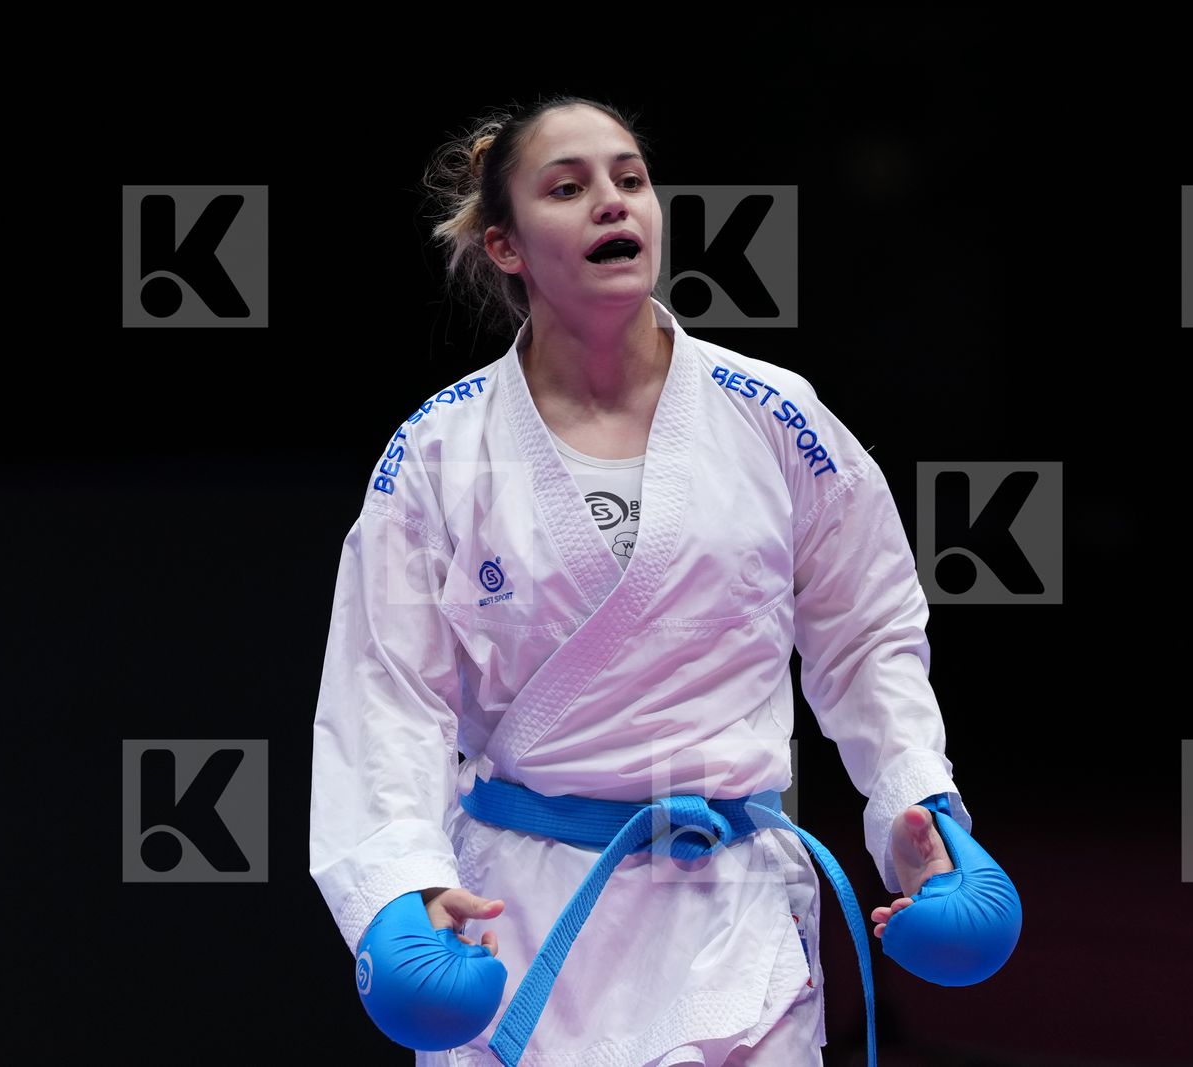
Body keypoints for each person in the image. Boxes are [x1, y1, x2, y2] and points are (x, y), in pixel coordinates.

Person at [308, 94, 976, 1067]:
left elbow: (866, 629)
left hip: (733, 911)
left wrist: (916, 795)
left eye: (630, 178)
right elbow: (385, 690)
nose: (613, 201)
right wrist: (401, 885)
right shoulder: (439, 452)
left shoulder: (775, 416)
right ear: (504, 245)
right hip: (521, 914)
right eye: (567, 187)